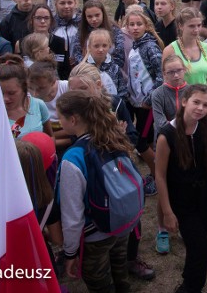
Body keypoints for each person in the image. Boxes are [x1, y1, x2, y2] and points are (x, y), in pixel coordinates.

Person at [56, 90, 137, 292]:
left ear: (73, 119)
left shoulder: (73, 158)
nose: (58, 121)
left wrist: (70, 253)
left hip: (95, 234)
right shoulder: (113, 138)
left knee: (100, 283)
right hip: (122, 222)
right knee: (120, 272)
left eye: (59, 117)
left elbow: (72, 214)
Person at [154, 84, 207, 293]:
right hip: (181, 197)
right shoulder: (167, 135)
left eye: (206, 105)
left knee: (197, 243)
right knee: (202, 247)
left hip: (204, 194)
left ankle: (189, 280)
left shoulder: (206, 124)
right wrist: (167, 212)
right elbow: (160, 176)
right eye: (196, 102)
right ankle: (190, 288)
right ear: (184, 102)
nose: (200, 108)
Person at [123, 8, 164, 196]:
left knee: (141, 141)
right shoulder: (136, 44)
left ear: (146, 25)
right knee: (142, 140)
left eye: (138, 24)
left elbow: (160, 75)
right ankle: (155, 174)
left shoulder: (149, 46)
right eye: (131, 24)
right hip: (138, 102)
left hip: (147, 104)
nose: (135, 27)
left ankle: (159, 177)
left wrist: (149, 99)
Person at [163, 8, 207, 113]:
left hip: (203, 106)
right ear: (180, 26)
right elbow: (166, 83)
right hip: (180, 107)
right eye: (191, 26)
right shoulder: (170, 50)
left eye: (199, 25)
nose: (196, 30)